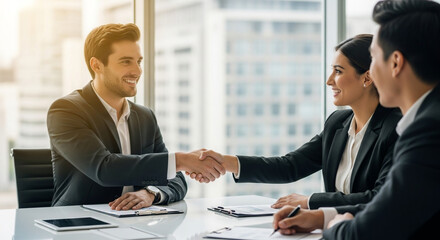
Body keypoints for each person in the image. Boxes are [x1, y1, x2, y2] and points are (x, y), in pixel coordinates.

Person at [272, 0, 440, 239]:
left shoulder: (429, 130)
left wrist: (333, 227)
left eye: (373, 58)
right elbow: (392, 206)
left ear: (395, 63)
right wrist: (321, 217)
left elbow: (368, 231)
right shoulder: (426, 119)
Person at [191, 34, 402, 210]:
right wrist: (225, 162)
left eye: (338, 71)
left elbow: (379, 198)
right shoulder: (338, 124)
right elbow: (289, 166)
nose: (329, 80)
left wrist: (309, 202)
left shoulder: (396, 128)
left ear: (367, 78)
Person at [47, 23, 224, 210]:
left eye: (138, 62)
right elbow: (104, 169)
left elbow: (175, 178)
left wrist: (151, 193)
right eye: (126, 61)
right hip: (79, 226)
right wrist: (181, 160)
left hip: (134, 225)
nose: (137, 71)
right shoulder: (66, 111)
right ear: (97, 65)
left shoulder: (145, 117)